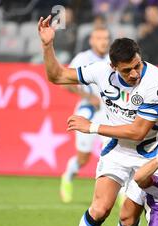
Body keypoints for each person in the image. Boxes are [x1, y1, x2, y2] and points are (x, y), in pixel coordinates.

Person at [37, 15, 158, 226]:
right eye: (126, 71)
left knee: (128, 217)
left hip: (148, 155)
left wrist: (92, 127)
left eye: (136, 66)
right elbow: (56, 76)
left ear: (140, 57)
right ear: (113, 67)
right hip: (117, 152)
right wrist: (47, 46)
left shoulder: (157, 84)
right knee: (99, 209)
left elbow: (138, 131)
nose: (134, 73)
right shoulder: (101, 72)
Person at [60, 26, 111, 204]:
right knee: (84, 158)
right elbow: (65, 82)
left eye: (106, 38)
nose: (103, 42)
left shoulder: (113, 59)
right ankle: (68, 176)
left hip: (110, 113)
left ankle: (122, 194)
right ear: (91, 40)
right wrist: (87, 97)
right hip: (87, 112)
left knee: (115, 154)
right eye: (99, 38)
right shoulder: (82, 58)